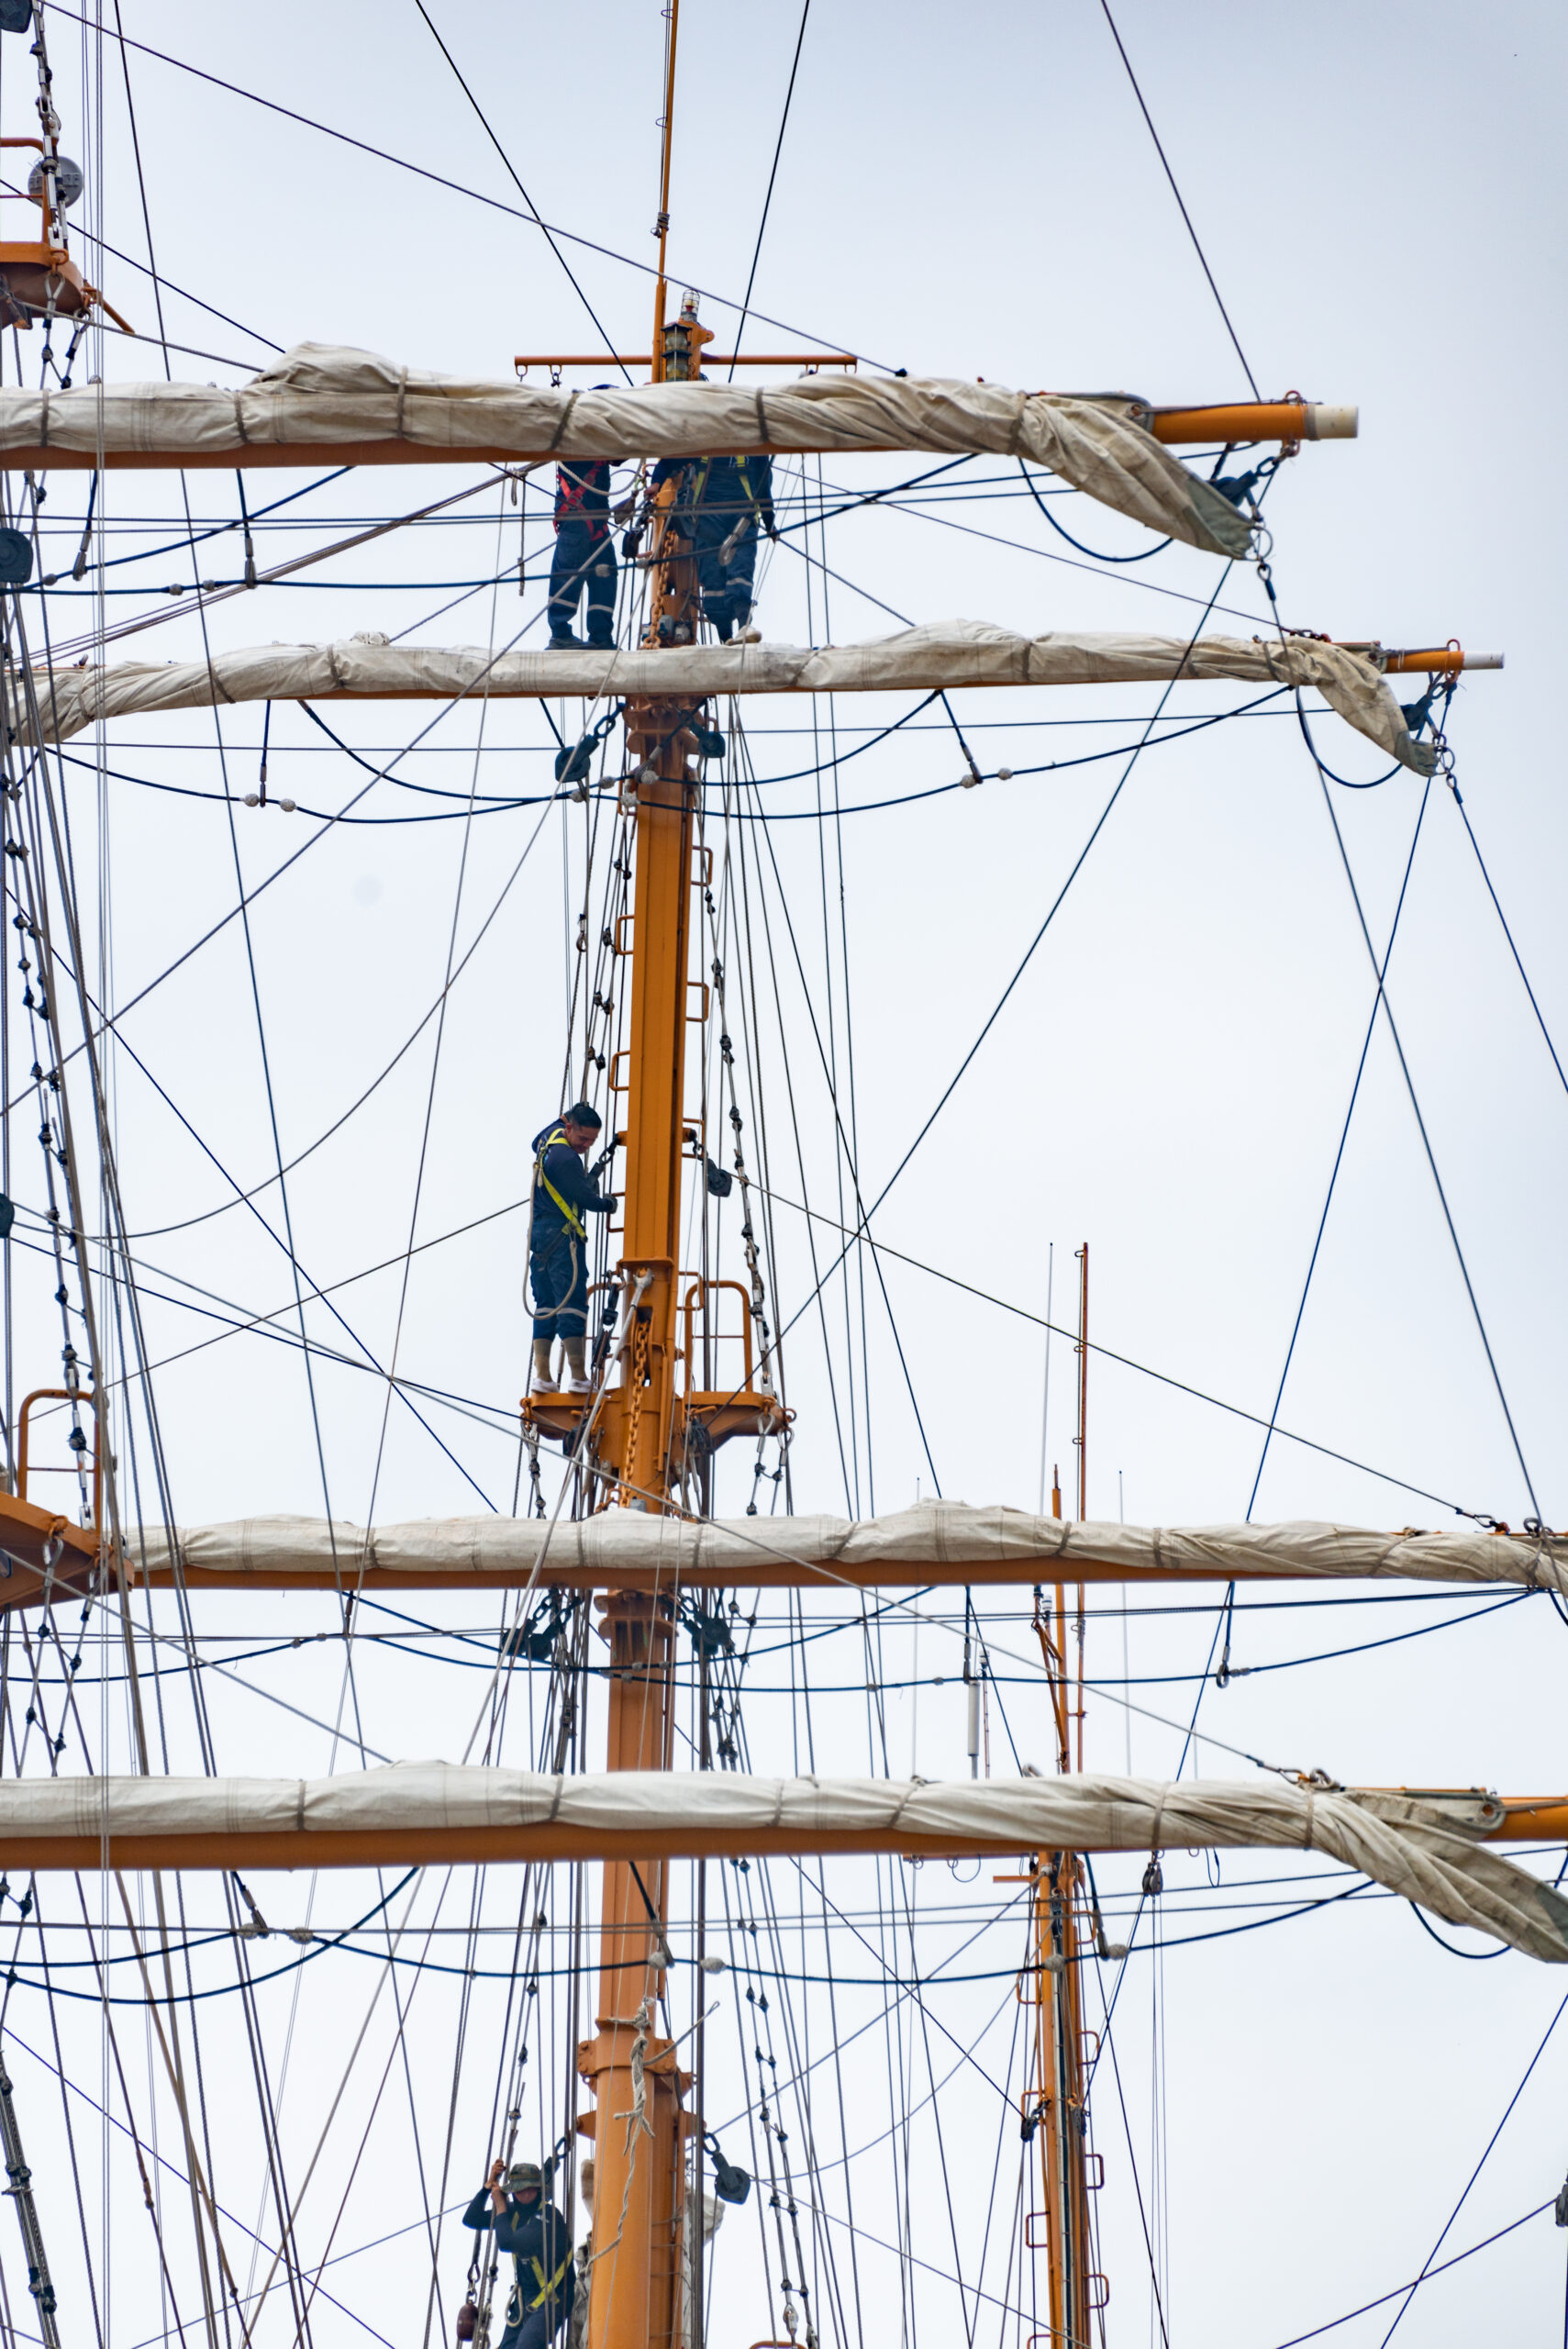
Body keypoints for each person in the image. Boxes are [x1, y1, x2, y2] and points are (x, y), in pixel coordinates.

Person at [651, 440, 777, 640]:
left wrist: (770, 524)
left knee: (740, 573)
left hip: (741, 519)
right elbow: (669, 462)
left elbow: (763, 489)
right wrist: (655, 484)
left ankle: (744, 624)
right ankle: (725, 638)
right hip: (707, 521)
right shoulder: (703, 444)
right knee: (712, 583)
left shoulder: (753, 449)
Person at [529, 1103, 614, 1394]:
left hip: (540, 1236)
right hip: (562, 1237)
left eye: (592, 1141)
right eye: (583, 1139)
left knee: (546, 1304)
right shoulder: (566, 1159)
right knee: (572, 1301)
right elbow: (586, 1198)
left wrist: (564, 1118)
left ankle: (542, 1376)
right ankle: (578, 1377)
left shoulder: (548, 1140)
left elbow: (534, 1140)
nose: (586, 1146)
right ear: (570, 1129)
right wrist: (607, 1204)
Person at [462, 2158, 574, 2349]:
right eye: (521, 2190)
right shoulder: (511, 2213)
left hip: (555, 2297)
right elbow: (471, 2218)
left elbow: (507, 2242)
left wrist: (501, 2207)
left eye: (531, 2188)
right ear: (512, 2191)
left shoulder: (549, 2217)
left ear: (539, 2189)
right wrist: (487, 2188)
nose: (527, 2193)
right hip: (525, 2300)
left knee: (527, 2344)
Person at [548, 394, 628, 651]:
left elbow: (617, 456)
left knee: (606, 575)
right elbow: (618, 454)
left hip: (595, 522)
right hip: (577, 521)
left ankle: (601, 636)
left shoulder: (596, 441)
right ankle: (560, 633)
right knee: (568, 575)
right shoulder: (578, 438)